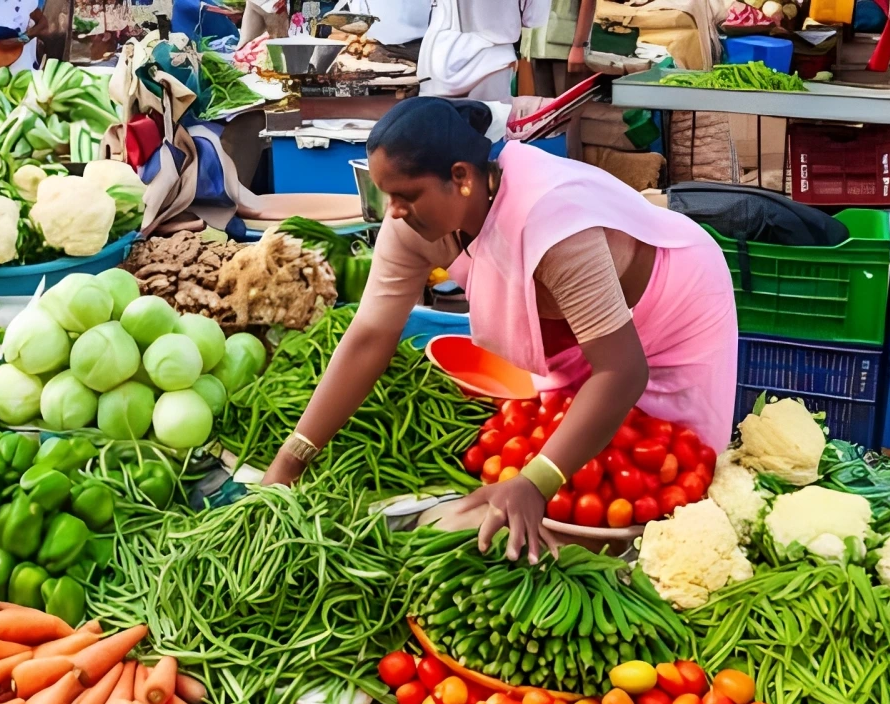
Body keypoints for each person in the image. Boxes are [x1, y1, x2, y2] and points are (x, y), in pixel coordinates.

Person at [262, 97, 737, 562]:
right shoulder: (411, 227)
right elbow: (369, 337)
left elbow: (621, 370)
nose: (393, 211)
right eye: (387, 195)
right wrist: (291, 459)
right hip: (574, 333)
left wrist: (535, 481)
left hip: (672, 307)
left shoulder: (551, 218)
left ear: (462, 178)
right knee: (579, 473)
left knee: (669, 482)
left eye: (406, 195)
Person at [420, 0, 550, 102]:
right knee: (489, 128)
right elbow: (534, 18)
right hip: (493, 57)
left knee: (435, 126)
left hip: (439, 52)